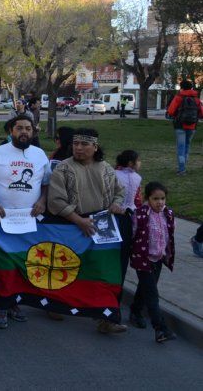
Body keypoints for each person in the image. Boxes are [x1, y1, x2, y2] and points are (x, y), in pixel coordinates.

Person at [48, 128, 127, 334]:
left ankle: (105, 318)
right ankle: (56, 305)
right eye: (75, 144)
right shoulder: (63, 169)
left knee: (101, 274)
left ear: (95, 147)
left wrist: (117, 204)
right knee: (67, 269)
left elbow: (120, 192)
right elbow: (55, 201)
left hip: (102, 228)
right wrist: (78, 220)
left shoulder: (106, 168)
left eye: (84, 144)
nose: (79, 148)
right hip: (72, 226)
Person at [128, 182, 176, 343]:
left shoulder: (168, 213)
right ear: (148, 198)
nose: (160, 202)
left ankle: (135, 311)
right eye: (155, 199)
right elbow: (132, 234)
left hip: (158, 258)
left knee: (145, 288)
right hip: (143, 259)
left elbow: (169, 234)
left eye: (162, 198)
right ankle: (161, 329)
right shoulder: (140, 214)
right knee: (152, 295)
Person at [166, 80, 203, 175]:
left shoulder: (178, 97)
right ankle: (183, 166)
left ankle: (182, 169)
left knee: (181, 147)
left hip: (180, 126)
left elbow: (170, 111)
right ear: (191, 88)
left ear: (181, 87)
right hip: (192, 126)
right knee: (187, 146)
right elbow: (201, 113)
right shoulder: (196, 99)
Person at [115, 150, 142, 215]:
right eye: (138, 160)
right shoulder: (114, 175)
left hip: (118, 209)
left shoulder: (114, 173)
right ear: (130, 163)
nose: (140, 162)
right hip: (127, 211)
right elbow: (137, 198)